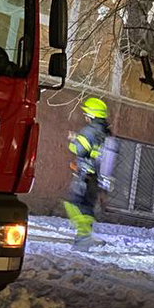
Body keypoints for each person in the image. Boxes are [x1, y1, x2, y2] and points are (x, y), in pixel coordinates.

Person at [63, 96, 114, 250]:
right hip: (95, 178)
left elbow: (80, 150)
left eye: (86, 113)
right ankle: (83, 239)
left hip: (85, 175)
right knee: (86, 207)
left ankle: (84, 237)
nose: (85, 116)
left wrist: (74, 140)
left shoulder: (89, 131)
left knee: (73, 204)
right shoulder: (105, 132)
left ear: (91, 114)